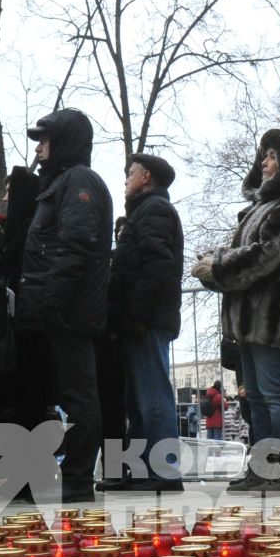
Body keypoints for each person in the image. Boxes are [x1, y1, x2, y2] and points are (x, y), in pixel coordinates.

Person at [196, 128, 280, 493]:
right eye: (263, 156)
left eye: (272, 156)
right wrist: (215, 267)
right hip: (247, 321)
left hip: (272, 317)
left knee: (273, 395)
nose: (264, 163)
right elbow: (249, 258)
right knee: (257, 398)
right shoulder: (262, 207)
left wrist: (218, 266)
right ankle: (264, 467)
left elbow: (269, 256)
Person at [16, 108, 111, 502]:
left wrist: (50, 300)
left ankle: (76, 478)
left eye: (45, 140)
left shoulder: (78, 182)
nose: (38, 148)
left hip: (67, 313)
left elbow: (76, 247)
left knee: (78, 397)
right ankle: (63, 475)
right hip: (53, 310)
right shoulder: (60, 183)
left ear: (65, 142)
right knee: (67, 394)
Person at [102, 151, 185, 492]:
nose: (126, 179)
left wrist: (135, 313)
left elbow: (157, 266)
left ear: (146, 177)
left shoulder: (154, 211)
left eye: (130, 173)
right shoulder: (145, 213)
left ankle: (165, 472)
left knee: (152, 398)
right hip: (139, 320)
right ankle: (138, 472)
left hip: (146, 320)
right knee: (138, 401)